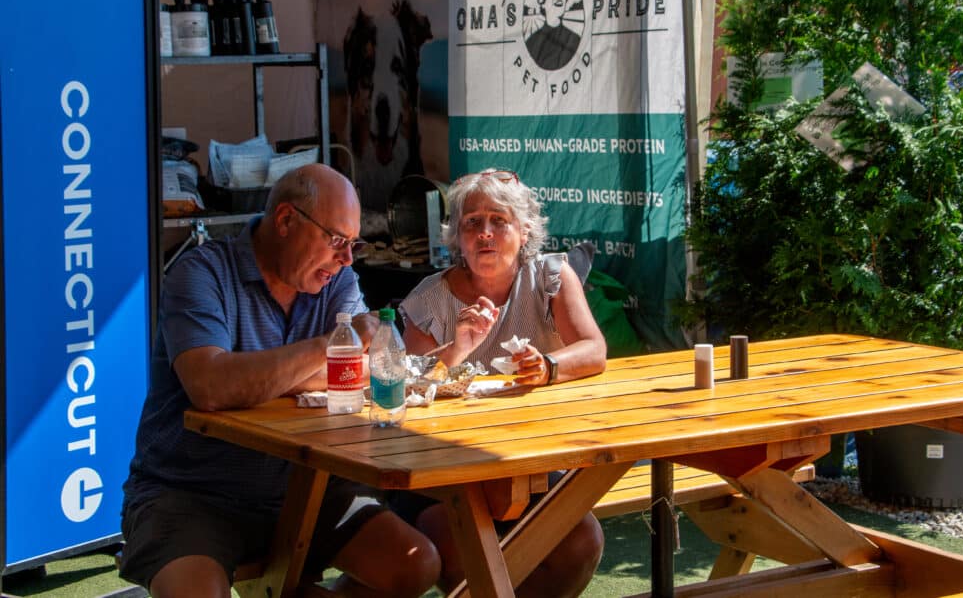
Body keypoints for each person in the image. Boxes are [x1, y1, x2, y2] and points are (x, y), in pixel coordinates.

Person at [119, 164, 440, 598]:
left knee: (415, 566)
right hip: (191, 492)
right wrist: (329, 347)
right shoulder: (200, 273)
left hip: (307, 486)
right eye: (337, 241)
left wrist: (259, 377)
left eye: (353, 243)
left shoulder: (336, 278)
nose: (348, 258)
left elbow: (367, 368)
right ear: (287, 220)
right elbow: (210, 387)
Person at [398, 168, 607, 597]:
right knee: (459, 544)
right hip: (445, 474)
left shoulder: (550, 278)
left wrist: (547, 364)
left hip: (531, 462)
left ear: (524, 228)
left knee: (581, 540)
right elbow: (403, 389)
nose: (485, 234)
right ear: (456, 235)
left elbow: (592, 349)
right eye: (472, 222)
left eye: (499, 220)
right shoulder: (426, 300)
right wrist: (457, 348)